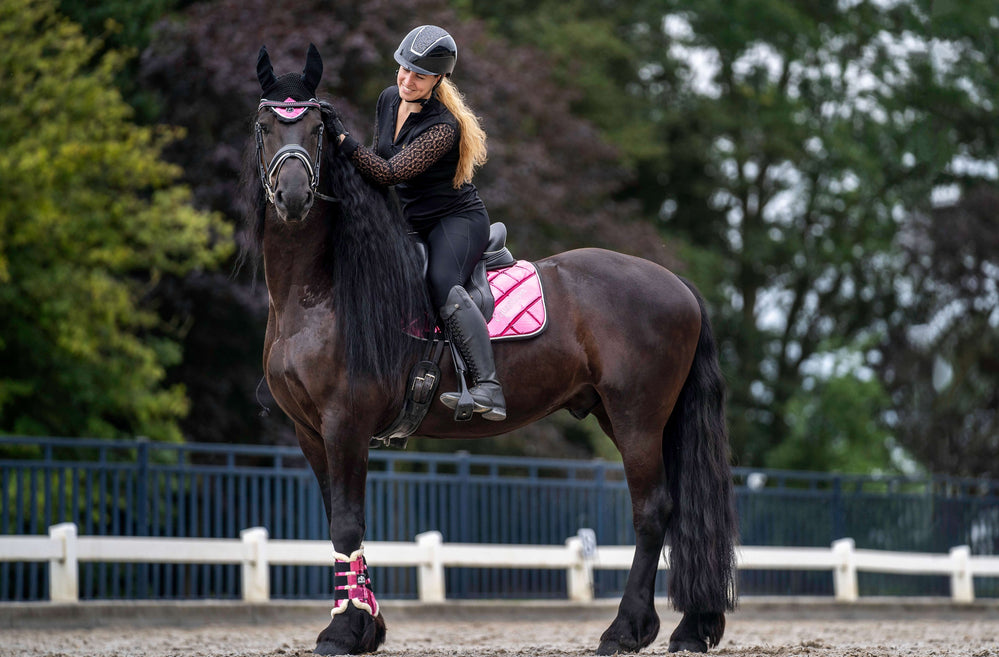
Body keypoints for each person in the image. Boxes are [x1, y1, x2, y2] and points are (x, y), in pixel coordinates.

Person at [328, 25, 506, 421]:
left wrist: (342, 140)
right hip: (408, 219)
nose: (407, 80)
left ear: (439, 79)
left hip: (455, 220)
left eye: (419, 75)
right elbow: (376, 160)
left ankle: (488, 387)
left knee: (442, 282)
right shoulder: (389, 99)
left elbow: (390, 173)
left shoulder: (444, 127)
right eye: (403, 69)